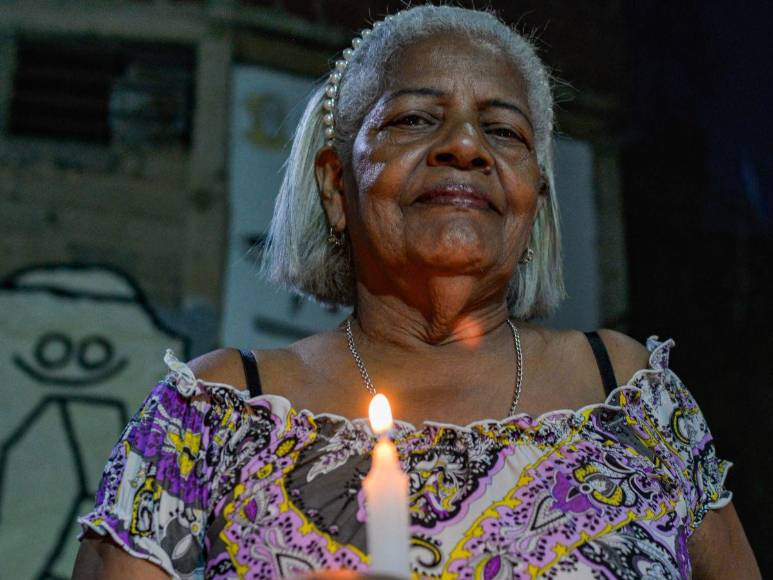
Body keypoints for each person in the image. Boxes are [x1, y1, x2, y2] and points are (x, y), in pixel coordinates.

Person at [72, 5, 760, 579]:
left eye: (502, 130)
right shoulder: (217, 410)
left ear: (534, 201)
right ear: (336, 188)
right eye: (412, 119)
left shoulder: (630, 395)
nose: (464, 146)